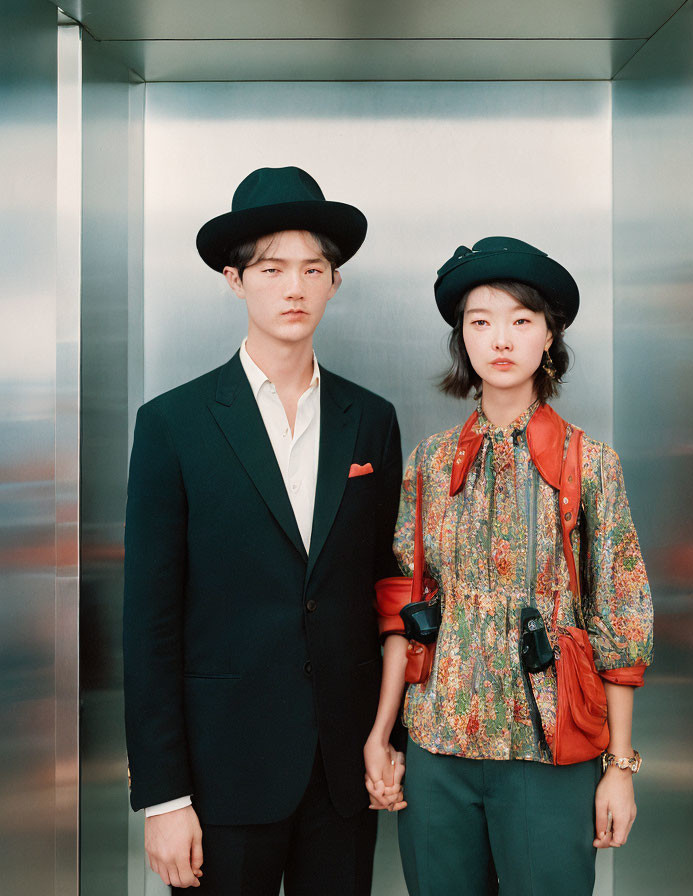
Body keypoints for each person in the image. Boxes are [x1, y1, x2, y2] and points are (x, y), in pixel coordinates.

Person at [123, 166, 405, 895]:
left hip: (342, 773)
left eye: (314, 269)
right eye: (272, 268)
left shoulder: (369, 418)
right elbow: (149, 620)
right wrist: (164, 796)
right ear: (234, 279)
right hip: (221, 779)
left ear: (335, 284)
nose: (295, 288)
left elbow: (385, 585)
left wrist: (387, 738)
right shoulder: (172, 425)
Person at [366, 237, 653, 896]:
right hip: (437, 751)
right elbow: (406, 613)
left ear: (548, 336)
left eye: (521, 320)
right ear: (461, 339)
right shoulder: (432, 464)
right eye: (481, 320)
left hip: (548, 755)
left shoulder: (591, 464)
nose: (501, 338)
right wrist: (383, 736)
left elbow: (623, 626)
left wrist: (620, 768)